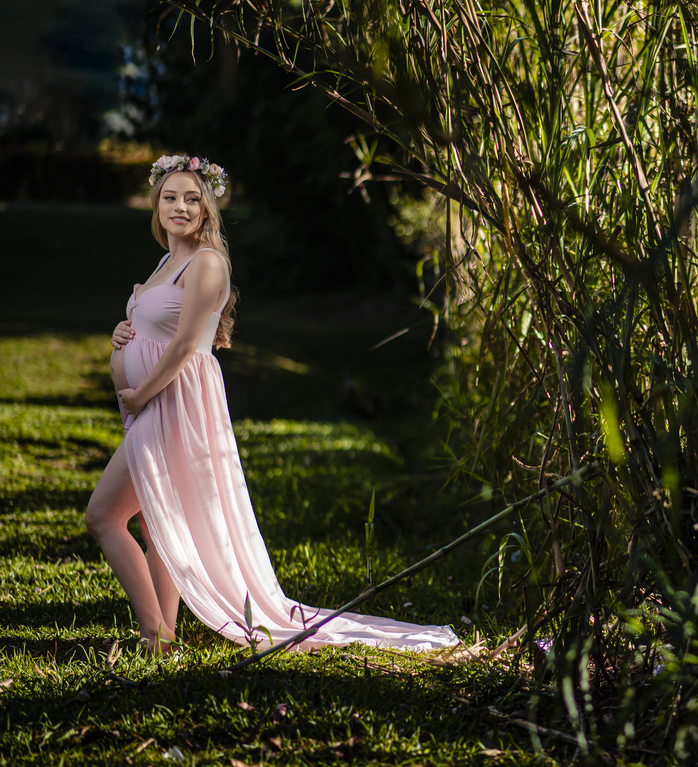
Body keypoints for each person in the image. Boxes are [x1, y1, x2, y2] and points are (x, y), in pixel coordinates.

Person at [85, 155, 458, 656]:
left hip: (171, 403)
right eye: (170, 197)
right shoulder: (164, 262)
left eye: (192, 198)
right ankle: (163, 638)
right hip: (151, 402)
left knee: (103, 516)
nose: (180, 206)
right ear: (156, 204)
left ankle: (152, 633)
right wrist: (123, 335)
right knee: (155, 521)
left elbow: (184, 347)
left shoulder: (207, 262)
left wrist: (139, 393)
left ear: (207, 208)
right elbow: (154, 330)